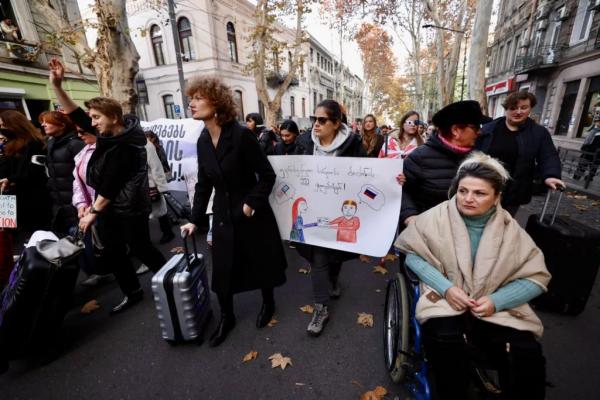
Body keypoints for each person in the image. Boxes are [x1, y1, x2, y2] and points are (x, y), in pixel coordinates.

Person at [395, 152, 551, 399]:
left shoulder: (512, 232)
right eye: (463, 191)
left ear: (497, 197)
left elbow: (535, 278)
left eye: (479, 193)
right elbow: (414, 256)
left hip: (493, 301)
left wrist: (496, 301)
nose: (468, 199)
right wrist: (446, 287)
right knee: (446, 339)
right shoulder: (434, 218)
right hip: (446, 297)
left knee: (524, 351)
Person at [48, 58, 166, 314]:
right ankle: (132, 292)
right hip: (110, 208)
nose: (92, 123)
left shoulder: (126, 143)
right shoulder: (109, 134)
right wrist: (57, 85)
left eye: (97, 117)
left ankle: (173, 281)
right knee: (114, 252)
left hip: (128, 208)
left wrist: (92, 212)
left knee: (141, 248)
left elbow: (111, 184)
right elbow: (77, 115)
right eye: (92, 118)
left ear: (114, 117)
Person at [181, 77, 287, 347]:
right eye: (191, 98)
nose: (191, 103)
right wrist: (194, 220)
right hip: (223, 214)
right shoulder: (203, 139)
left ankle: (268, 301)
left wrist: (250, 204)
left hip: (251, 211)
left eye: (198, 98)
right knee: (223, 267)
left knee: (260, 261)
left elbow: (266, 175)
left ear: (216, 104)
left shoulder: (241, 135)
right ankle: (226, 317)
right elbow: (204, 184)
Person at [293, 99, 367, 337]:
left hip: (341, 210)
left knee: (333, 255)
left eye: (322, 120)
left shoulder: (353, 144)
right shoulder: (305, 142)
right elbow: (289, 166)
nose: (316, 124)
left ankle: (333, 280)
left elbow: (368, 176)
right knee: (318, 257)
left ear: (336, 123)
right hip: (313, 211)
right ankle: (321, 307)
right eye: (314, 119)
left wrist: (392, 182)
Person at [477, 91, 564, 216]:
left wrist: (551, 175)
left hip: (515, 190)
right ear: (506, 109)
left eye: (524, 108)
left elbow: (548, 155)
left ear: (530, 108)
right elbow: (473, 153)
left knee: (503, 225)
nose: (518, 112)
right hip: (485, 186)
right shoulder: (489, 129)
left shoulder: (539, 133)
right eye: (513, 108)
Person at [401, 101, 487, 226]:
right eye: (476, 127)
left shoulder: (479, 158)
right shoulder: (419, 158)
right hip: (429, 230)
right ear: (456, 130)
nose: (480, 132)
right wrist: (410, 216)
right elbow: (402, 191)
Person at [0, 111, 52, 243]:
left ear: (16, 126)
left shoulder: (35, 144)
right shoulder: (9, 145)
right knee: (6, 235)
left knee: (32, 238)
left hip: (31, 198)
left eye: (4, 126)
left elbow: (35, 172)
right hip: (7, 198)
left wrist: (11, 179)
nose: (2, 130)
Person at [39, 111, 85, 235]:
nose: (43, 125)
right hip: (58, 206)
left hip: (77, 205)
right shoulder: (50, 144)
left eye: (47, 121)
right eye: (42, 122)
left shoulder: (75, 143)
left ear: (62, 125)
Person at [144, 134, 175, 244]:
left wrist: (161, 187)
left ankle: (168, 232)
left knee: (160, 210)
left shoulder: (148, 146)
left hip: (151, 183)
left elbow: (157, 167)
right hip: (142, 185)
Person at [574, 115, 600, 181]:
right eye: (596, 122)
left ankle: (582, 177)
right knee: (590, 165)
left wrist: (584, 147)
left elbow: (587, 141)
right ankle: (583, 177)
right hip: (592, 152)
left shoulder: (595, 131)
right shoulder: (594, 130)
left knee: (588, 165)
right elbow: (588, 141)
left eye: (598, 122)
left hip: (592, 151)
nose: (597, 123)